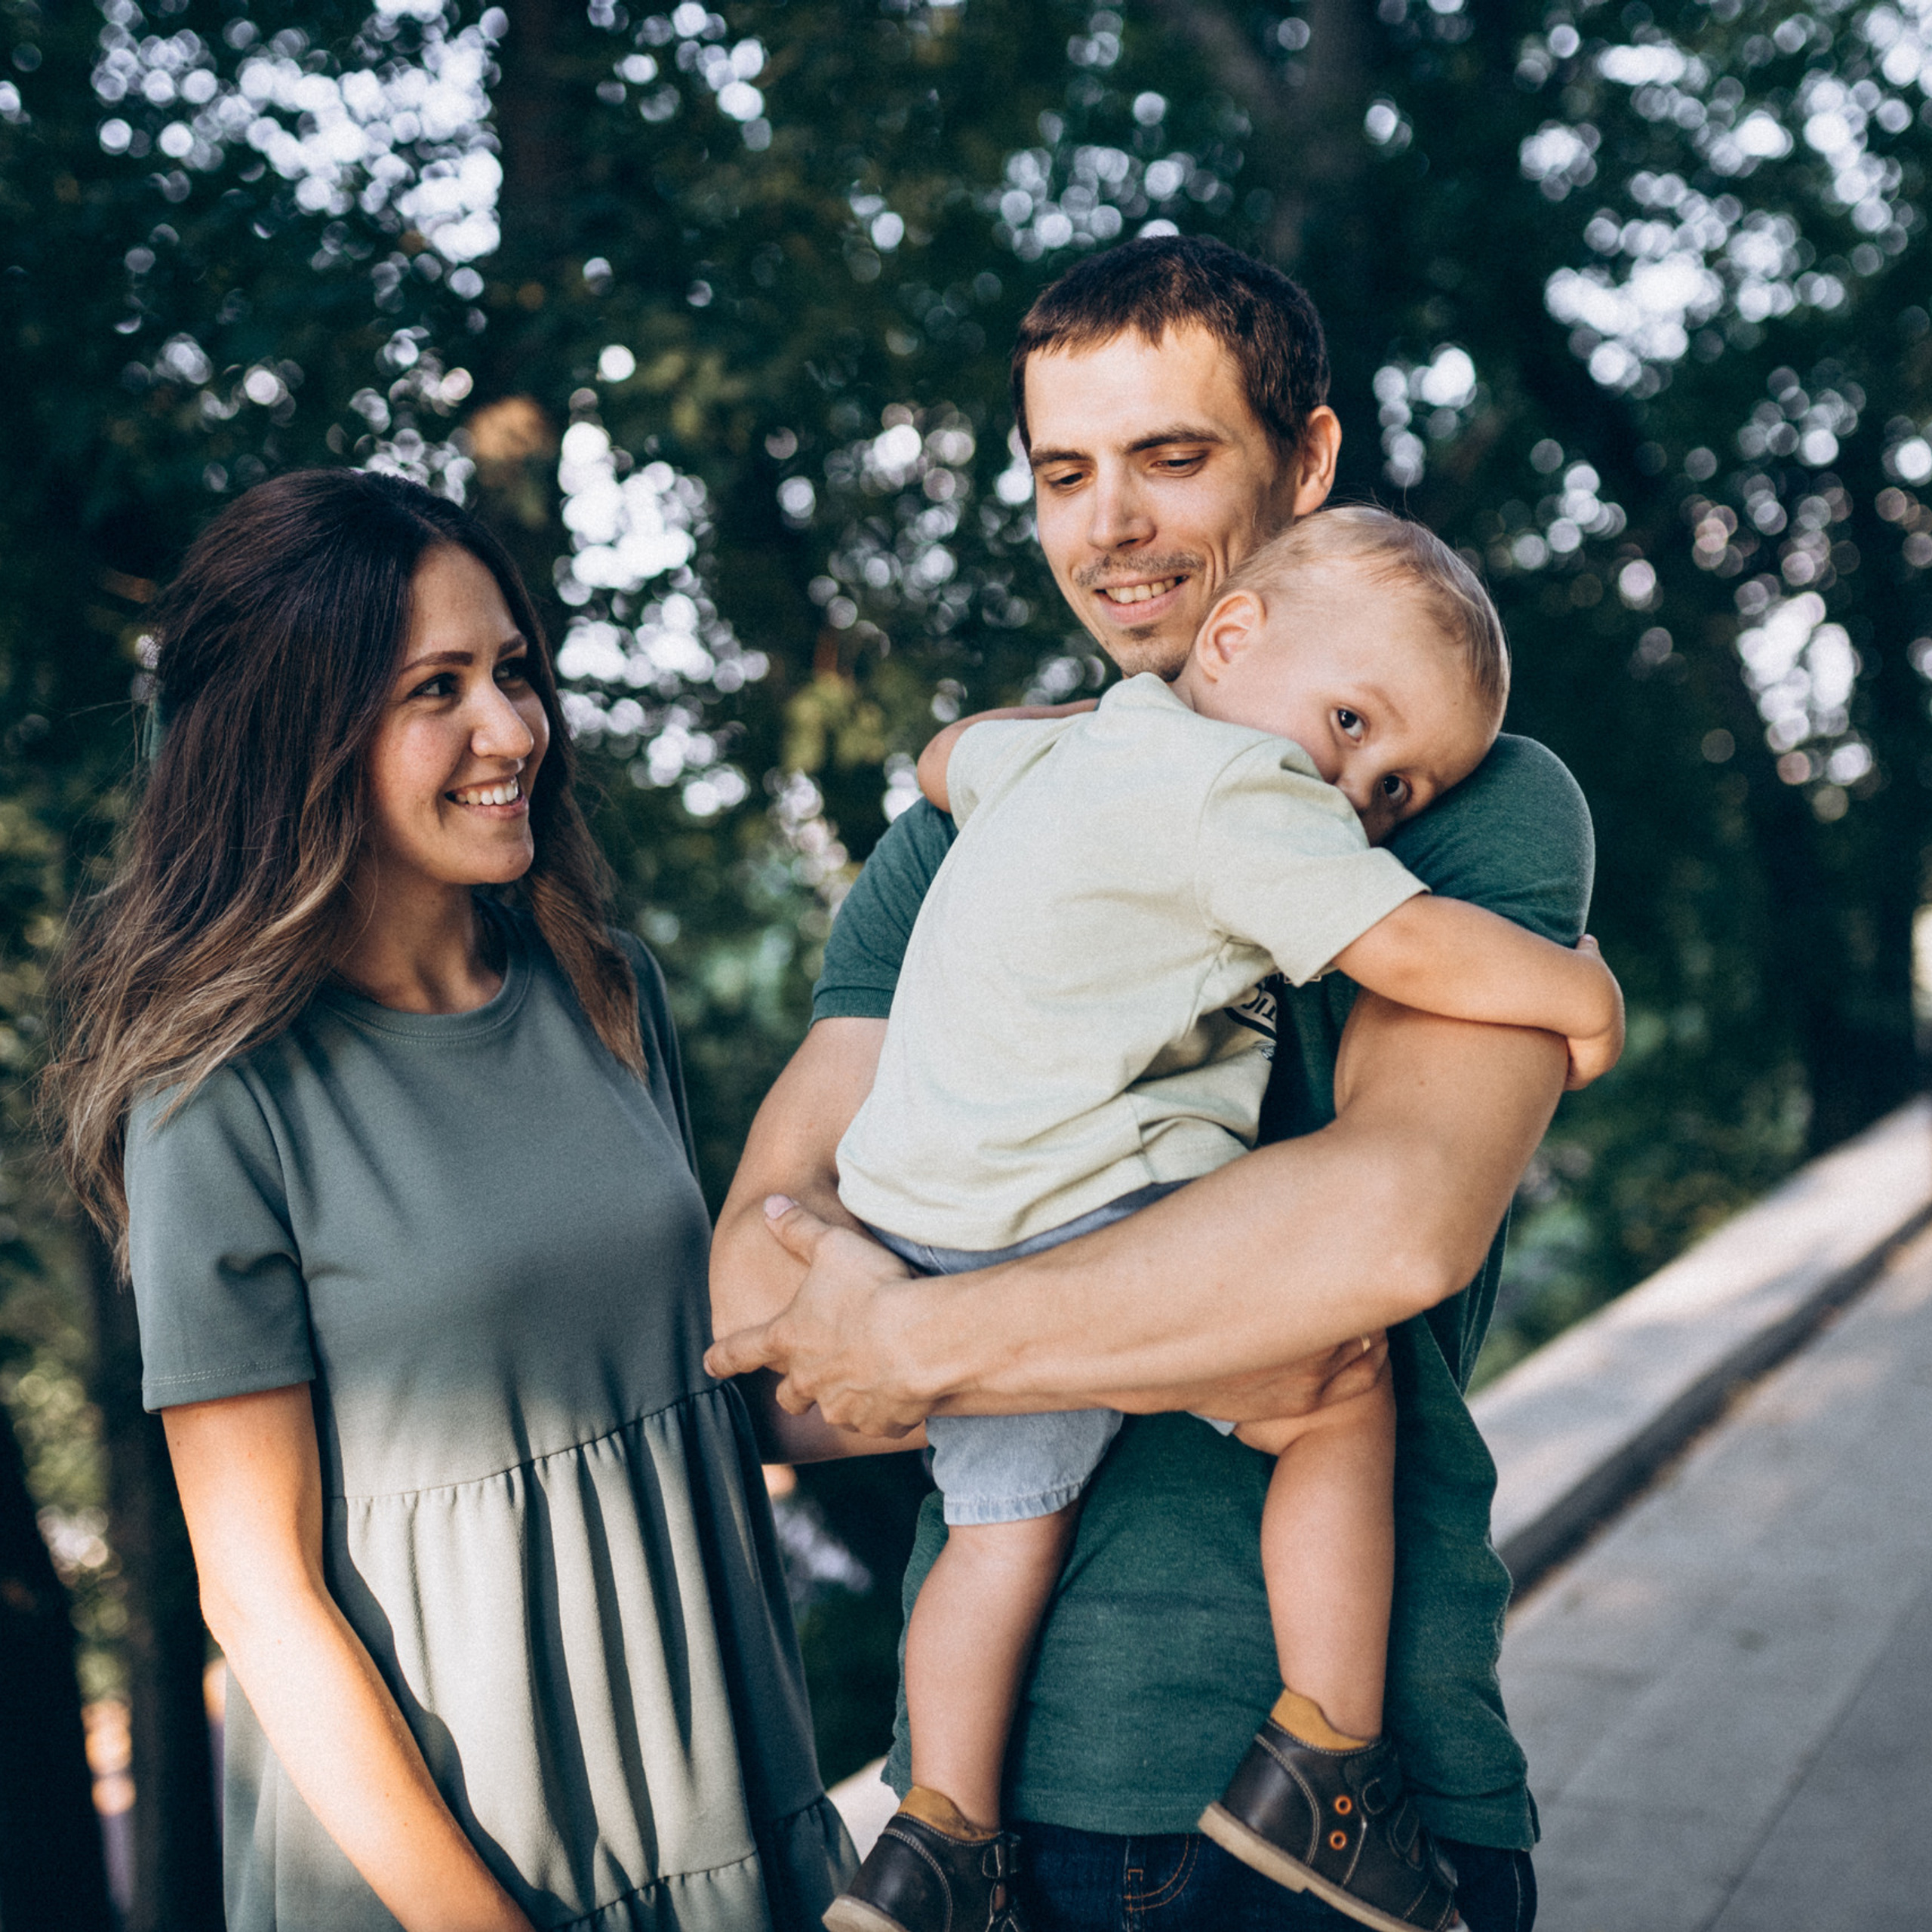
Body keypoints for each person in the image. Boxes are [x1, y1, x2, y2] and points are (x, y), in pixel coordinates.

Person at [708, 236, 1590, 1932]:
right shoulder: (961, 845)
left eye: (1170, 459)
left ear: (1307, 462)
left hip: (1343, 1830)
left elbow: (1388, 1228)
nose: (1108, 520)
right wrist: (888, 1334)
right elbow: (759, 1346)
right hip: (986, 1813)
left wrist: (907, 1323)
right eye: (1063, 472)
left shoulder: (1454, 797)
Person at [42, 469, 852, 1932]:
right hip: (443, 1873)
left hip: (726, 1793)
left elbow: (693, 1386)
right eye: (436, 688)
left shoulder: (602, 985)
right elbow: (260, 1595)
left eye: (514, 672)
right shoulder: (217, 1093)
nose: (512, 730)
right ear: (299, 732)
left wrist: (1007, 1344)